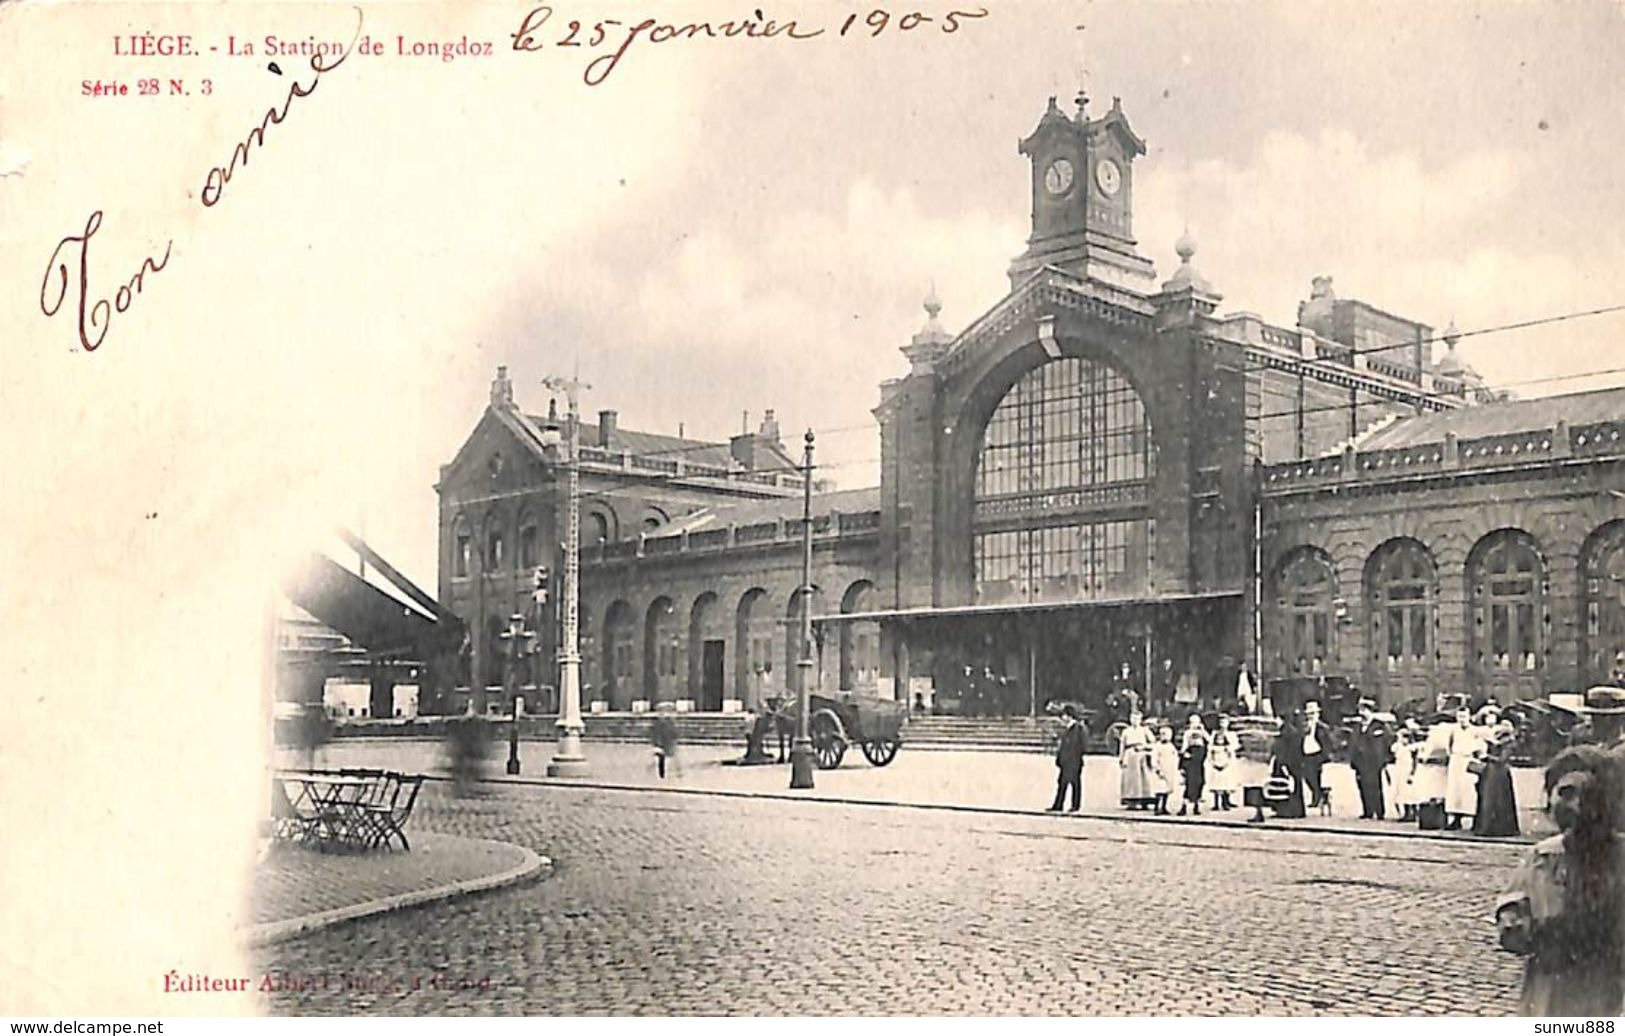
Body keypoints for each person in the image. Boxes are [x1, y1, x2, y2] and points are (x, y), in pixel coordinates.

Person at [1494, 745, 1624, 1015]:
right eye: (1564, 793)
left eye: (1588, 796)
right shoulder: (1543, 857)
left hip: (1609, 994)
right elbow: (1512, 924)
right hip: (1552, 995)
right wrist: (1529, 929)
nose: (1575, 806)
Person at [1473, 713, 1521, 837]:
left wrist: (1486, 756)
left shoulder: (1510, 742)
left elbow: (1502, 759)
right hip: (1491, 773)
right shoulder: (1496, 740)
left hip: (1499, 774)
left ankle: (1495, 828)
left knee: (1496, 800)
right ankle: (1487, 826)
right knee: (1489, 799)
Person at [1348, 698, 1393, 819]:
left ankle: (1379, 811)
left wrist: (1385, 759)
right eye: (1361, 711)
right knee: (1362, 786)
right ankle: (1367, 810)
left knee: (1375, 786)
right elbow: (1353, 743)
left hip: (1373, 762)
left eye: (1365, 710)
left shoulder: (1379, 726)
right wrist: (1352, 759)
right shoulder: (1357, 727)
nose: (1362, 713)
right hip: (1360, 762)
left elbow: (1385, 743)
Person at [1444, 707, 1480, 830]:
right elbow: (1448, 746)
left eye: (1464, 717)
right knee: (1455, 790)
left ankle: (1473, 819)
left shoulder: (1475, 730)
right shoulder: (1453, 730)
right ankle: (1455, 818)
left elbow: (1480, 745)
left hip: (1468, 759)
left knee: (1469, 789)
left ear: (1469, 716)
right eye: (1459, 717)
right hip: (1456, 760)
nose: (1462, 720)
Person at [1048, 705, 1087, 813]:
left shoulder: (1078, 729)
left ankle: (1075, 805)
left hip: (1074, 761)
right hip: (1066, 761)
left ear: (1069, 716)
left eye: (1064, 715)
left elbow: (1081, 746)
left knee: (1075, 783)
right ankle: (1058, 805)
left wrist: (1075, 757)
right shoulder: (1068, 729)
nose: (1063, 718)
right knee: (1062, 783)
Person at [1267, 717, 1307, 819]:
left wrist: (1284, 764)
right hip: (1290, 764)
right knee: (1292, 788)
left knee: (1286, 787)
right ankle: (1293, 810)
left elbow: (1285, 751)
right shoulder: (1290, 732)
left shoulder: (1287, 733)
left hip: (1287, 764)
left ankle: (1288, 811)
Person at [1118, 710, 1155, 810]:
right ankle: (1131, 801)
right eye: (1132, 718)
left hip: (1141, 754)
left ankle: (1145, 800)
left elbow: (1153, 743)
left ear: (1140, 720)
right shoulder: (1126, 731)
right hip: (1129, 755)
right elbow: (1122, 745)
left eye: (1137, 718)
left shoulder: (1145, 730)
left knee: (1143, 777)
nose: (1134, 721)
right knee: (1130, 779)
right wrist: (1121, 757)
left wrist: (1144, 747)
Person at [1300, 700, 1334, 810]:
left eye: (1313, 714)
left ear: (1318, 714)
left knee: (1315, 776)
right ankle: (1318, 794)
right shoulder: (1304, 727)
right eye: (1309, 714)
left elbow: (1328, 742)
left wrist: (1326, 754)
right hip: (1306, 754)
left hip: (1317, 754)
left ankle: (1317, 797)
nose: (1311, 717)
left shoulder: (1322, 727)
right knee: (1307, 776)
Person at [1390, 720, 1422, 823]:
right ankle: (1404, 812)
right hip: (1399, 770)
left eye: (1405, 737)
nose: (1402, 739)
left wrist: (1412, 773)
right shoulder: (1398, 747)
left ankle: (1412, 812)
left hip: (1408, 770)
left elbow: (1415, 761)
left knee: (1410, 792)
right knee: (1400, 792)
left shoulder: (1412, 748)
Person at [1208, 714, 1241, 810]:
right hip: (1217, 758)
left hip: (1227, 759)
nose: (1222, 724)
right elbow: (1210, 746)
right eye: (1221, 722)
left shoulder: (1231, 734)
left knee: (1228, 781)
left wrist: (1229, 747)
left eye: (1225, 722)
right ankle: (1216, 802)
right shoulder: (1215, 733)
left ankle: (1227, 800)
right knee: (1217, 781)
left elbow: (1236, 745)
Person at [1178, 714, 1210, 816]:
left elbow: (1210, 741)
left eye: (1196, 722)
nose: (1195, 724)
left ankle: (1196, 805)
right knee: (1189, 782)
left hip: (1200, 757)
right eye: (1193, 722)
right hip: (1191, 756)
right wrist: (1184, 754)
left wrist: (1203, 731)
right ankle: (1184, 806)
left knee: (1199, 782)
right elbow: (1184, 745)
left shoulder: (1202, 732)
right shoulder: (1188, 733)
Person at [1150, 724, 1180, 815]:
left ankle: (1164, 807)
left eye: (1167, 734)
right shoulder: (1157, 746)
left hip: (1169, 770)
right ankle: (1156, 807)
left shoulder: (1171, 746)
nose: (1165, 736)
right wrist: (1157, 769)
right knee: (1159, 789)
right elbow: (1154, 759)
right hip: (1161, 770)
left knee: (1168, 789)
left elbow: (1175, 757)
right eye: (1163, 734)